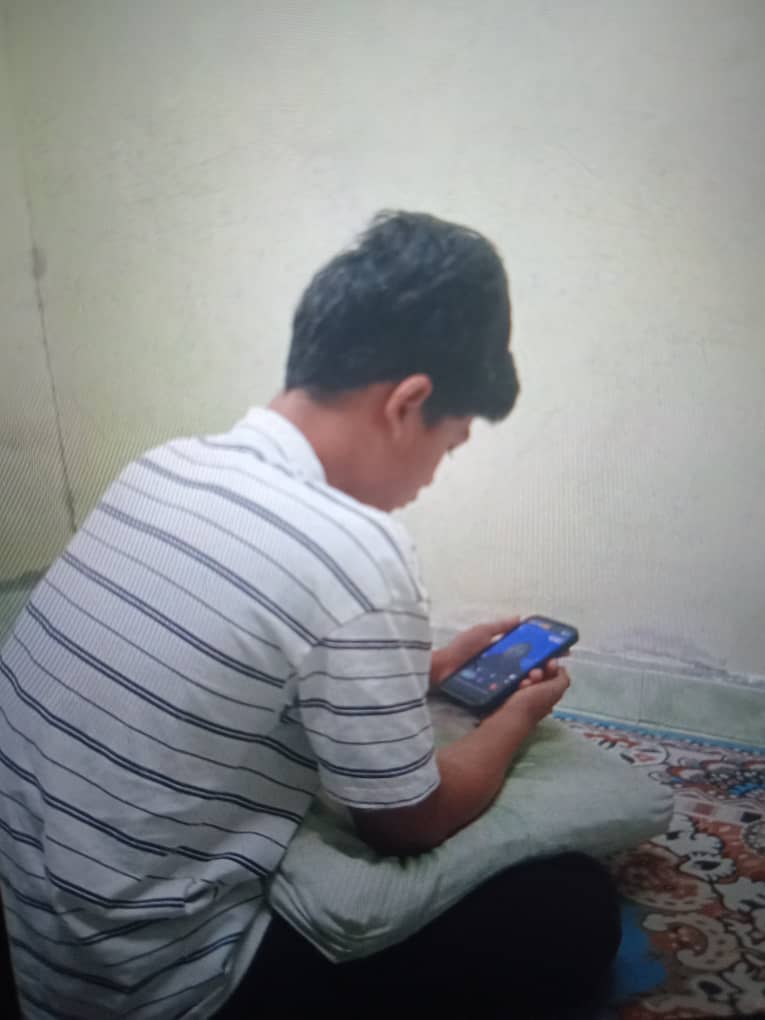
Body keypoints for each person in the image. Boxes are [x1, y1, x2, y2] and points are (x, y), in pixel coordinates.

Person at [0, 211, 620, 1019]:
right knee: (573, 908)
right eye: (449, 445)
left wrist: (430, 668)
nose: (431, 477)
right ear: (408, 404)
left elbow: (236, 666)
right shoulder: (354, 548)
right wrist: (516, 717)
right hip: (161, 988)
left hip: (42, 944)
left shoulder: (163, 467)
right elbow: (408, 825)